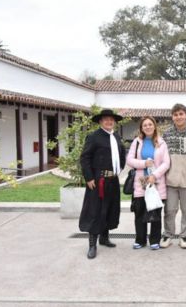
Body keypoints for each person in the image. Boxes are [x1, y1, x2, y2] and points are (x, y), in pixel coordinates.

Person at [79, 109, 125, 259]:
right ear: (100, 121)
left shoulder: (116, 136)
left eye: (111, 120)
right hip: (98, 180)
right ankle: (92, 245)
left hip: (113, 180)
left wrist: (120, 168)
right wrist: (89, 178)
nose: (109, 122)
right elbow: (85, 157)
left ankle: (104, 238)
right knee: (96, 211)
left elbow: (122, 153)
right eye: (105, 119)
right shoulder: (93, 137)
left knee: (110, 209)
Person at [161, 104, 186, 249]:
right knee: (170, 210)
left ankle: (184, 236)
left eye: (181, 114)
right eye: (176, 114)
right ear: (172, 117)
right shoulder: (166, 134)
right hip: (170, 180)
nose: (178, 117)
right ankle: (168, 235)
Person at [126, 116, 170, 250]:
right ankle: (140, 239)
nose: (148, 127)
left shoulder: (161, 142)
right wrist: (143, 163)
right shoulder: (137, 142)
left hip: (156, 184)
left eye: (150, 124)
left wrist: (154, 175)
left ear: (154, 126)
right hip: (140, 184)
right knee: (139, 213)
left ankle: (155, 240)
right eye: (145, 125)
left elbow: (166, 163)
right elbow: (129, 160)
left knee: (155, 213)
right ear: (141, 128)